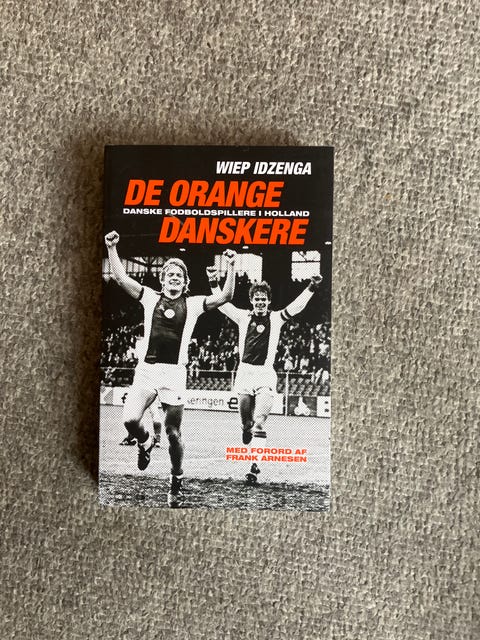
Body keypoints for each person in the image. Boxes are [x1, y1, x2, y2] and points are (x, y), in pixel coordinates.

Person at [105, 230, 236, 507]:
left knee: (173, 433)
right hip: (147, 370)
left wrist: (232, 265)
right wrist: (112, 248)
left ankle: (176, 479)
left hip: (174, 373)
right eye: (170, 274)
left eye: (179, 275)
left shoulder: (193, 304)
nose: (174, 277)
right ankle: (145, 442)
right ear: (162, 279)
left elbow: (226, 296)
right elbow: (121, 278)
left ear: (185, 282)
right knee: (130, 421)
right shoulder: (149, 297)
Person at [208, 271, 322, 444]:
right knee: (247, 423)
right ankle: (246, 428)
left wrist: (312, 287)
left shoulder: (276, 318)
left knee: (259, 422)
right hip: (245, 373)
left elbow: (296, 306)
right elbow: (223, 305)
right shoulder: (243, 317)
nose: (260, 302)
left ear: (269, 301)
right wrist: (213, 282)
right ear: (251, 300)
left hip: (265, 374)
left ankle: (256, 460)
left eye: (263, 299)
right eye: (257, 299)